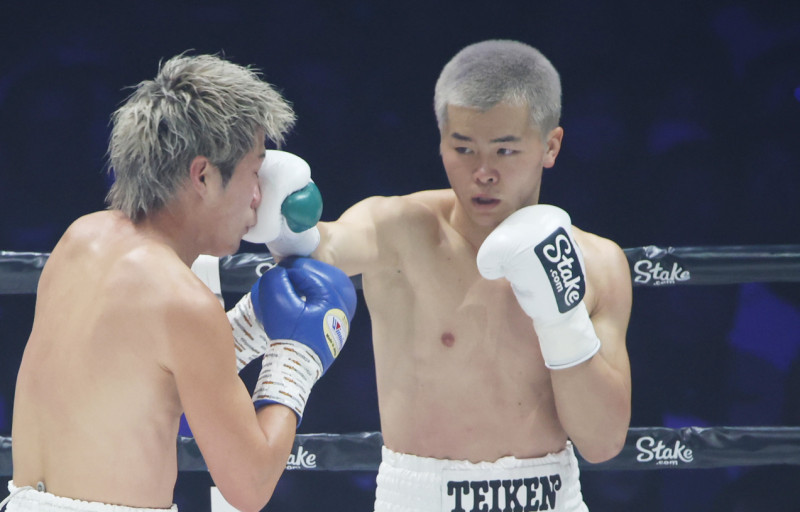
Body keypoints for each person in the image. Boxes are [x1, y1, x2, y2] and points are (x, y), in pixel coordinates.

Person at [266, 40, 633, 511]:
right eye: (463, 148)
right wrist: (282, 216)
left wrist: (562, 315)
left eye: (505, 150)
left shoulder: (597, 263)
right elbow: (322, 249)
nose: (483, 172)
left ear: (550, 146)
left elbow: (602, 442)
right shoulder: (398, 231)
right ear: (441, 142)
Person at [2, 54, 356, 512]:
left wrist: (246, 326)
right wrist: (294, 361)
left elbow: (141, 381)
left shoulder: (80, 239)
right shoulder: (182, 302)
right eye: (254, 172)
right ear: (203, 175)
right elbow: (251, 486)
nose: (259, 196)